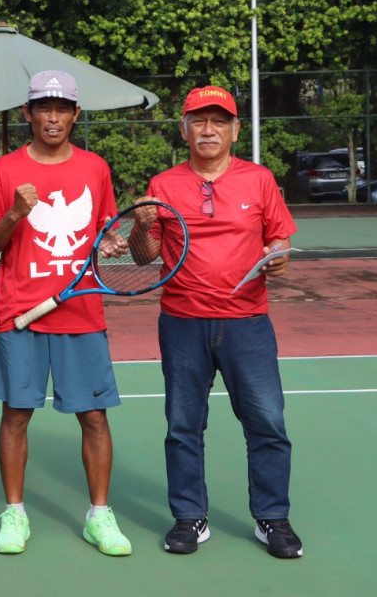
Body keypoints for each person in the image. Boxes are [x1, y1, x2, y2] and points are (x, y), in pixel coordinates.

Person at [129, 85, 302, 559]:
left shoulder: (259, 180)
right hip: (182, 323)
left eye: (219, 121)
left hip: (248, 323)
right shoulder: (163, 184)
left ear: (235, 130)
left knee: (267, 423)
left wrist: (279, 258)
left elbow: (280, 240)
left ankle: (272, 518)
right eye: (199, 121)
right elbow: (144, 257)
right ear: (184, 129)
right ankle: (189, 517)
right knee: (183, 426)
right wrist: (142, 224)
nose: (209, 130)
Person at [0, 70, 133, 557]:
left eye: (62, 108)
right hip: (20, 314)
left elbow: (103, 230)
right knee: (16, 415)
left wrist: (110, 242)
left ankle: (99, 516)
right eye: (43, 107)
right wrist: (15, 214)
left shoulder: (95, 168)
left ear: (75, 114)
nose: (53, 116)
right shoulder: (2, 171)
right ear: (28, 113)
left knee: (95, 417)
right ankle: (15, 513)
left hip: (81, 313)